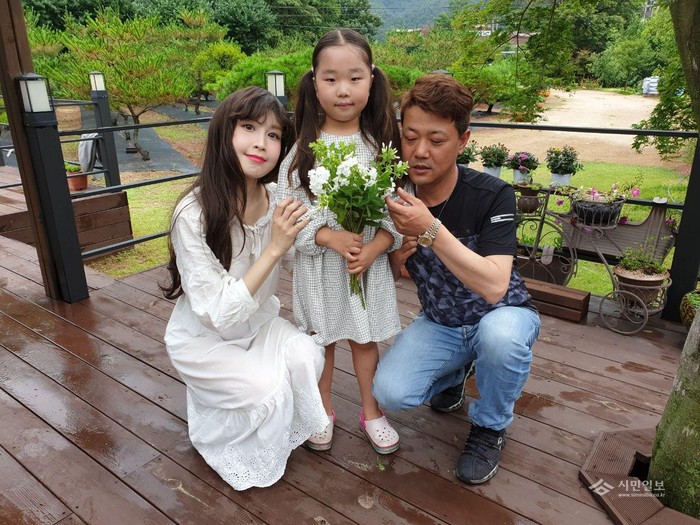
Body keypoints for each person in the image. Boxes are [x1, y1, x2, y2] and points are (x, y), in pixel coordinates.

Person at [372, 74, 541, 484]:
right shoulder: (392, 195)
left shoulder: (492, 194)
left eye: (436, 140)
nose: (420, 152)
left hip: (503, 313)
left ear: (463, 140)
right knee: (390, 392)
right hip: (441, 322)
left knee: (500, 339)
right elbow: (387, 276)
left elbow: (495, 285)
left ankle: (489, 427)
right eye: (410, 138)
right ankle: (459, 372)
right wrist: (394, 259)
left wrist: (430, 229)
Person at [161, 87, 328, 490]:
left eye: (273, 135)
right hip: (204, 339)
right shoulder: (193, 214)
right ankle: (218, 428)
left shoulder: (276, 200)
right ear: (225, 132)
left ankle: (262, 410)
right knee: (265, 391)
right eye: (249, 128)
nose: (261, 143)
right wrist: (274, 248)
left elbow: (306, 254)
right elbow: (219, 313)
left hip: (258, 325)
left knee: (308, 354)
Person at [276, 28, 402, 454]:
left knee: (365, 340)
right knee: (321, 342)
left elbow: (397, 212)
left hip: (364, 269)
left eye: (354, 78)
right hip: (319, 270)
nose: (343, 90)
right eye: (330, 79)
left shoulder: (380, 147)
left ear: (371, 79)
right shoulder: (302, 152)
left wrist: (376, 247)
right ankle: (321, 409)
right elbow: (286, 213)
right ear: (315, 83)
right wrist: (327, 235)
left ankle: (371, 411)